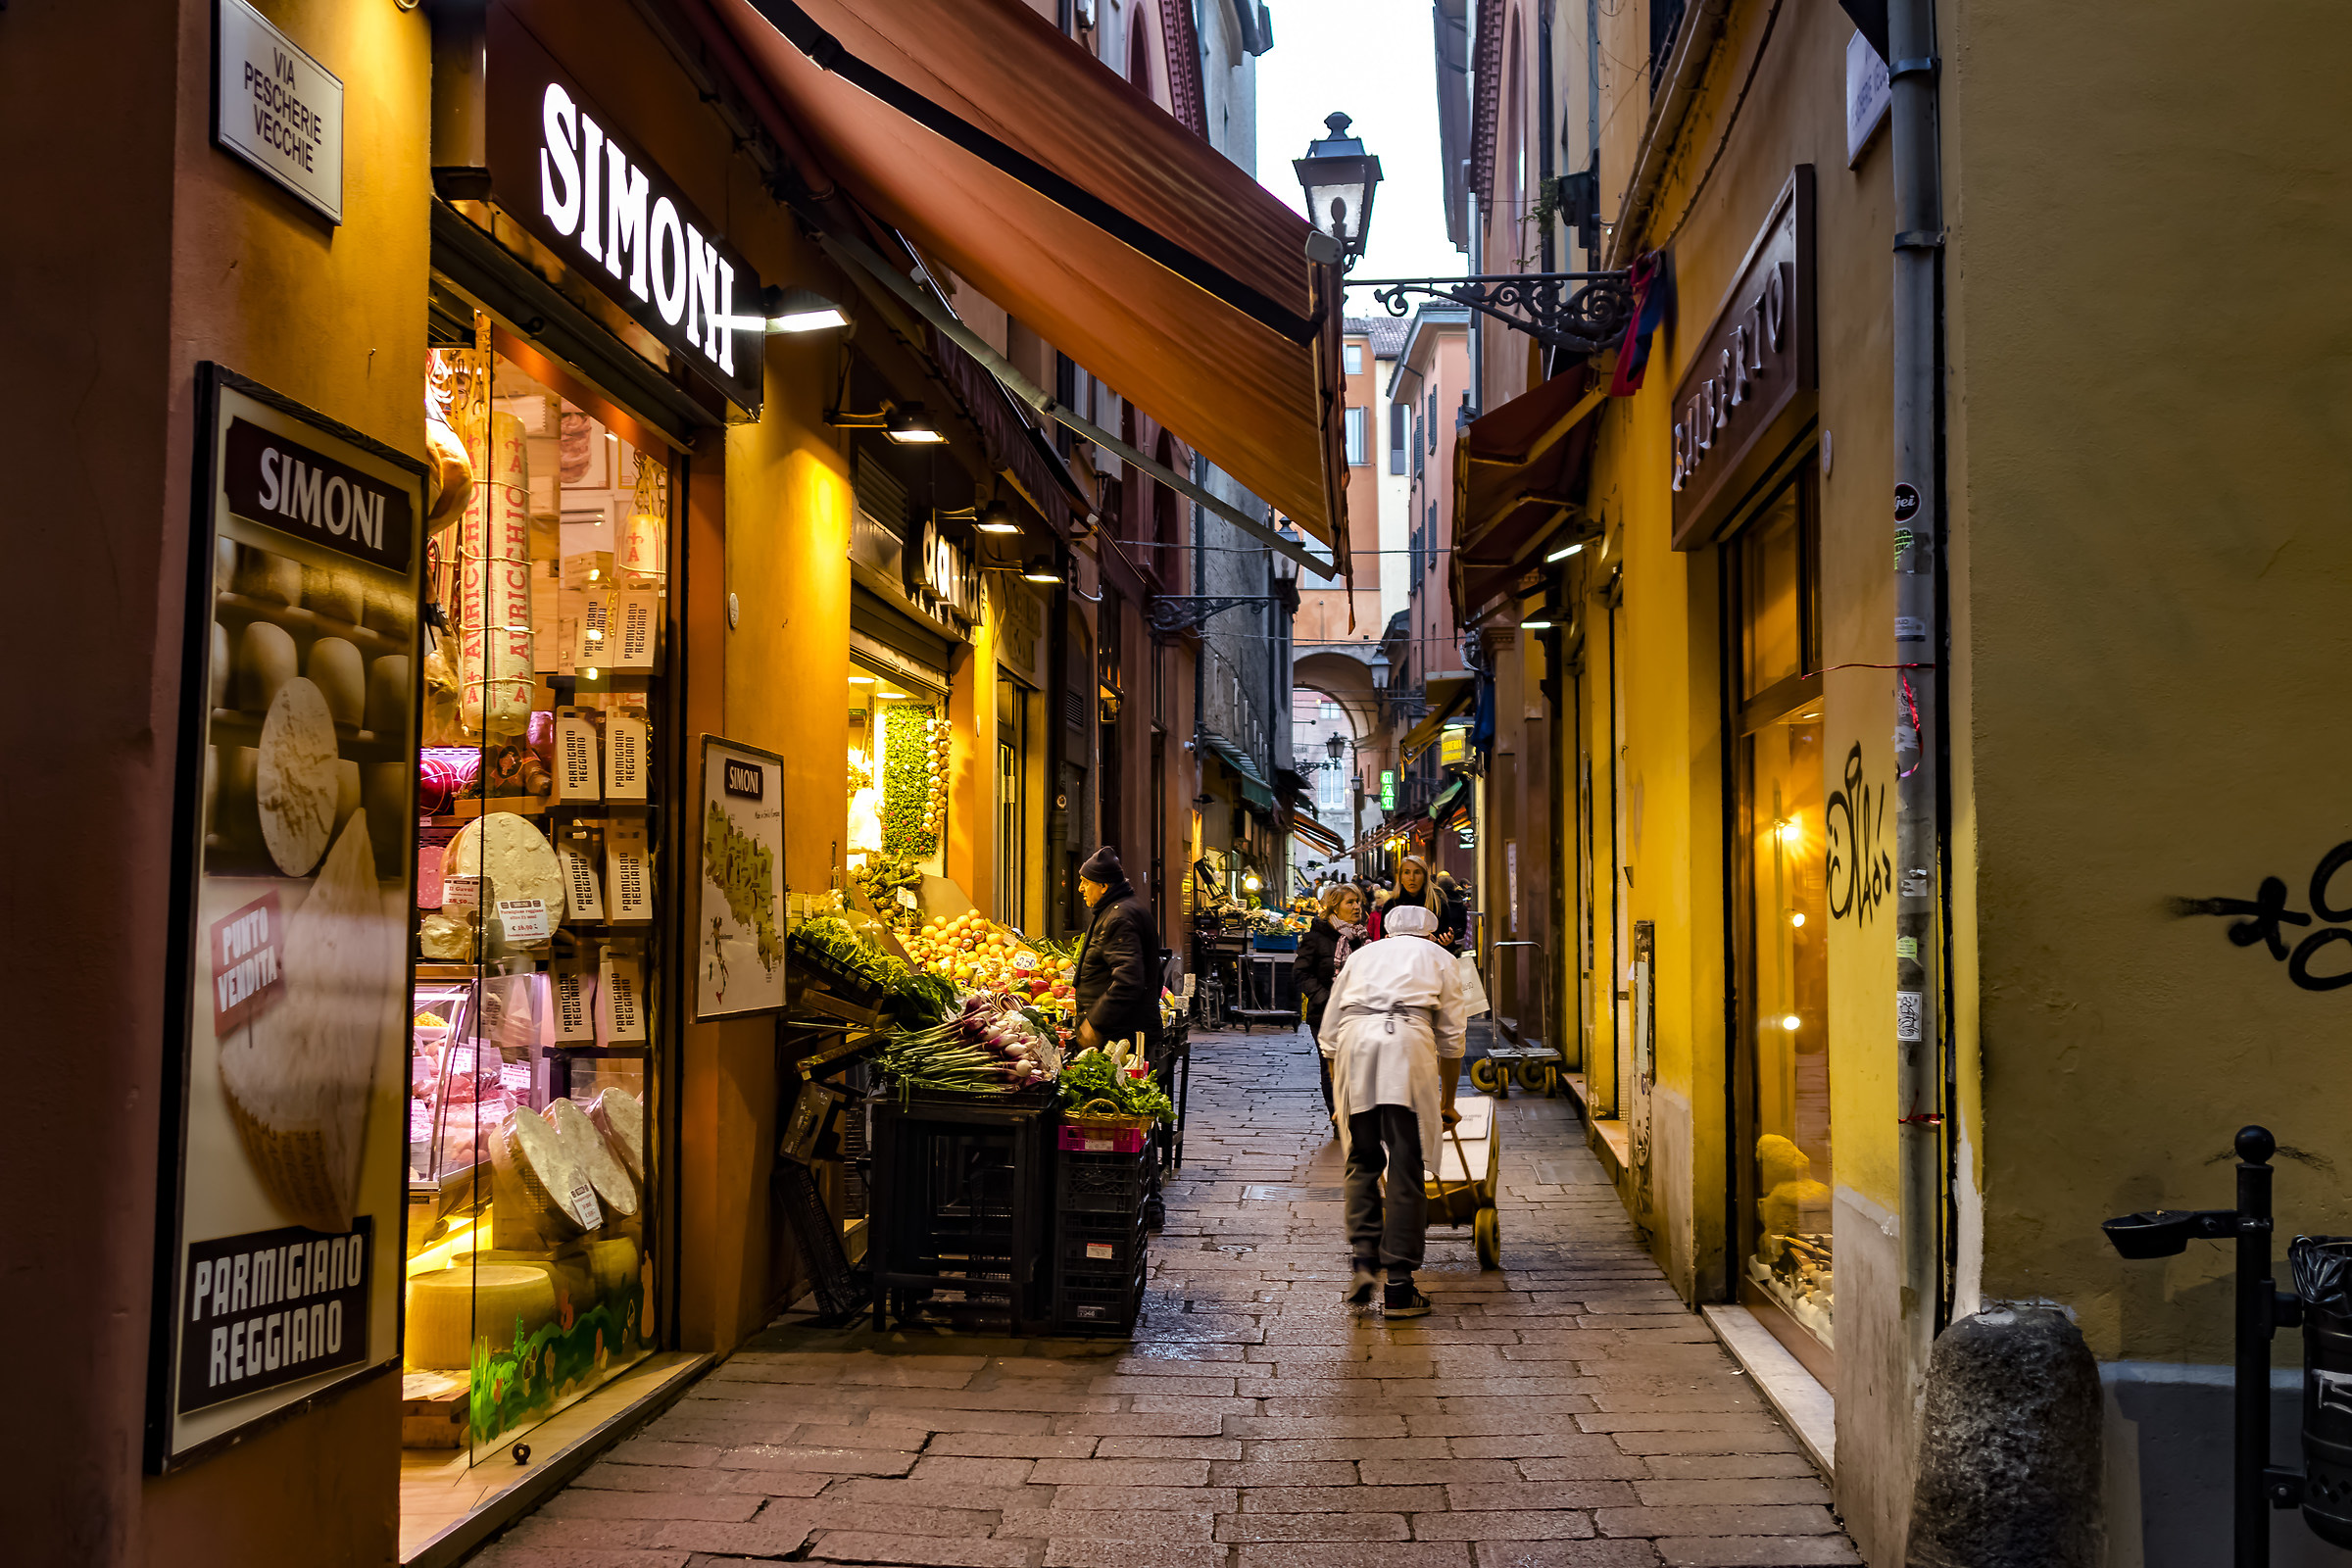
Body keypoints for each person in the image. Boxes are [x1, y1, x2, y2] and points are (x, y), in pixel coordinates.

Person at [1319, 902, 1469, 1316]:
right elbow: (1453, 1039)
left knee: (1362, 1161)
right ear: (1427, 932)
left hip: (1355, 1047)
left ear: (1386, 930)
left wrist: (1340, 1100)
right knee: (1405, 1166)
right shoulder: (1441, 957)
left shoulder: (1363, 955)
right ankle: (1400, 1287)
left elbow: (1329, 1034)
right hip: (1407, 1048)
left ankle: (1365, 1259)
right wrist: (1448, 1103)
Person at [1071, 847, 1162, 1057]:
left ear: (1103, 886)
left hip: (1120, 1036)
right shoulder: (1122, 909)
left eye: (1086, 882)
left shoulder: (1119, 917)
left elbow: (1128, 980)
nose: (1080, 889)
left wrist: (1094, 1022)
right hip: (1125, 1028)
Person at [1294, 883, 1369, 1121]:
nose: (1356, 906)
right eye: (1350, 902)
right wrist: (1325, 997)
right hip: (1325, 1013)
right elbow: (1300, 973)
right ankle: (1338, 1118)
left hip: (1358, 1012)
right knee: (1331, 1066)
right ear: (1334, 907)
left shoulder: (1362, 938)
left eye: (1358, 901)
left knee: (1358, 1066)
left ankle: (1357, 1115)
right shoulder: (1316, 937)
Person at [1373, 856, 1462, 950]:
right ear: (1401, 878)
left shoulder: (1438, 904)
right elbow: (1383, 942)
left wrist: (1448, 941)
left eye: (1417, 872)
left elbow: (1446, 947)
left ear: (1424, 877)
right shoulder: (1390, 906)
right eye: (1407, 872)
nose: (1412, 878)